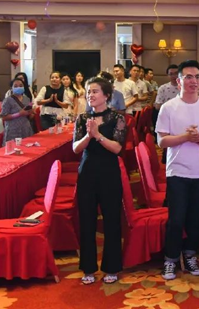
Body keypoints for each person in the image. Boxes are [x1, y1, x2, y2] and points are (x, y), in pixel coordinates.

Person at [157, 60, 199, 280]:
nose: (194, 81)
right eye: (189, 77)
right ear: (179, 81)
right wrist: (186, 137)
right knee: (176, 219)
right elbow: (162, 141)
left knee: (196, 219)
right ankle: (170, 259)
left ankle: (191, 255)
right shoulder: (168, 107)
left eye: (197, 77)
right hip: (177, 171)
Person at [73, 76, 126, 285]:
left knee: (111, 219)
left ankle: (111, 267)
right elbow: (75, 148)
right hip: (87, 172)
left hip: (109, 173)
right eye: (88, 91)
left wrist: (98, 135)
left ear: (106, 95)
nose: (90, 95)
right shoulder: (82, 118)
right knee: (86, 220)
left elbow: (118, 148)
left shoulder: (117, 118)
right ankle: (88, 267)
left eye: (95, 91)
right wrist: (89, 135)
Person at [0, 78, 34, 145]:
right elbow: (4, 117)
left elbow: (29, 116)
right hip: (13, 129)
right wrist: (19, 114)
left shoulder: (27, 99)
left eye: (21, 86)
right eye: (15, 86)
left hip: (25, 128)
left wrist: (31, 112)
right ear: (11, 88)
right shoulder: (8, 100)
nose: (18, 87)